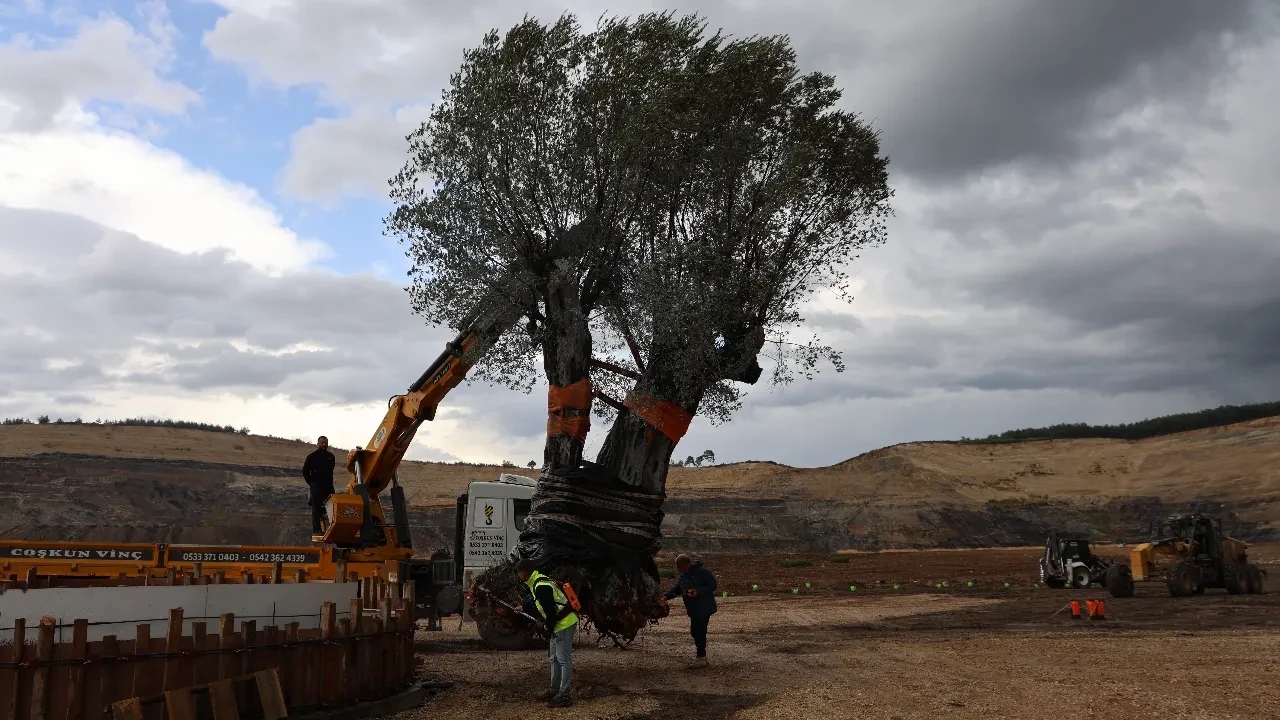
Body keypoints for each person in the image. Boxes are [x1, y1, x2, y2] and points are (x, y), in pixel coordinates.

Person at [516, 559, 578, 708]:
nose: (518, 576)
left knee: (563, 659)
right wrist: (523, 607)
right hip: (558, 624)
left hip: (564, 623)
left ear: (524, 573)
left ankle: (565, 695)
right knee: (554, 658)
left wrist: (547, 627)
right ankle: (554, 690)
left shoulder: (541, 585)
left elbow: (550, 611)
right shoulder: (537, 581)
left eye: (519, 573)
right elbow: (538, 600)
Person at [662, 553, 718, 666]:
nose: (678, 569)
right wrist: (665, 596)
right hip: (693, 609)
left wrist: (697, 591)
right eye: (677, 566)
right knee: (695, 632)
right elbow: (677, 588)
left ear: (687, 564)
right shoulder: (683, 576)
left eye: (679, 566)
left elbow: (713, 585)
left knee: (699, 631)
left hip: (704, 607)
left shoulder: (703, 572)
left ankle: (701, 657)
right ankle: (701, 656)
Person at [302, 436, 336, 534]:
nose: (324, 444)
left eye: (326, 442)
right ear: (318, 444)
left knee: (332, 506)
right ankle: (317, 529)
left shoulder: (331, 457)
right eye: (322, 443)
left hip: (328, 486)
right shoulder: (312, 456)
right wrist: (312, 482)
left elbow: (331, 471)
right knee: (316, 507)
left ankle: (333, 528)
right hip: (316, 486)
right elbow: (305, 472)